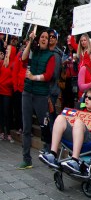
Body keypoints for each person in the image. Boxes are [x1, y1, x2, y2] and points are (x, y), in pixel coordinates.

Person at [39, 88, 91, 175]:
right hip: (74, 135)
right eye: (86, 97)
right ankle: (53, 154)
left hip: (89, 138)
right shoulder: (79, 107)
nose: (86, 99)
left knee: (78, 122)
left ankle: (75, 160)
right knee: (60, 118)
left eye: (90, 98)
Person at [19, 29, 56, 169]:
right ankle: (26, 159)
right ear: (38, 38)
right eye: (42, 36)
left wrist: (34, 77)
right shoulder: (33, 51)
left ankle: (49, 154)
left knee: (44, 126)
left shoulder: (51, 56)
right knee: (26, 127)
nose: (44, 39)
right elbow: (23, 59)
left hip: (41, 95)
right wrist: (29, 41)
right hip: (27, 93)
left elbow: (48, 75)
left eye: (47, 37)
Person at [0, 46, 13, 142]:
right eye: (6, 50)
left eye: (9, 50)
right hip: (0, 90)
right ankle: (1, 132)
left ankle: (8, 133)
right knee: (1, 112)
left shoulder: (12, 65)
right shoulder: (1, 63)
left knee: (6, 113)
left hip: (7, 92)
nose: (7, 52)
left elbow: (13, 78)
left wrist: (5, 83)